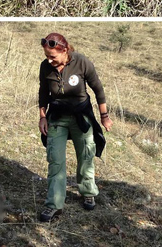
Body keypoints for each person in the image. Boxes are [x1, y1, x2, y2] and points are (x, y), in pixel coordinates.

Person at [37, 33, 112, 222]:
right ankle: (54, 205)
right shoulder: (45, 67)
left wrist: (104, 116)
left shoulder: (81, 62)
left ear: (64, 50)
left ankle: (87, 191)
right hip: (57, 117)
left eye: (52, 56)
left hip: (81, 116)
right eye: (46, 55)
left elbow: (98, 89)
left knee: (86, 155)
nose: (49, 59)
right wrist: (42, 117)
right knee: (55, 160)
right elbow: (43, 93)